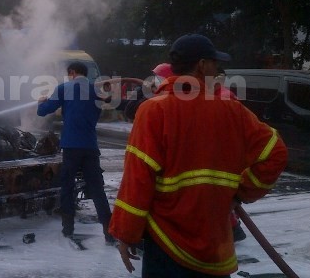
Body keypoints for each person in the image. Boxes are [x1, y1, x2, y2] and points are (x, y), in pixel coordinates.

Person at [109, 34, 288, 277]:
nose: (218, 70)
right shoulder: (233, 111)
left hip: (165, 244)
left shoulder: (154, 110)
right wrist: (243, 192)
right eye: (215, 63)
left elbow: (138, 178)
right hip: (214, 248)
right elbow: (275, 153)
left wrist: (126, 233)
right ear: (202, 66)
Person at [37, 61, 115, 245]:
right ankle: (109, 232)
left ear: (72, 72)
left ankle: (68, 229)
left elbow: (43, 112)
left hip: (71, 147)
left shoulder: (64, 88)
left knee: (67, 186)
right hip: (90, 146)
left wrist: (41, 102)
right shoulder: (94, 91)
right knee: (97, 190)